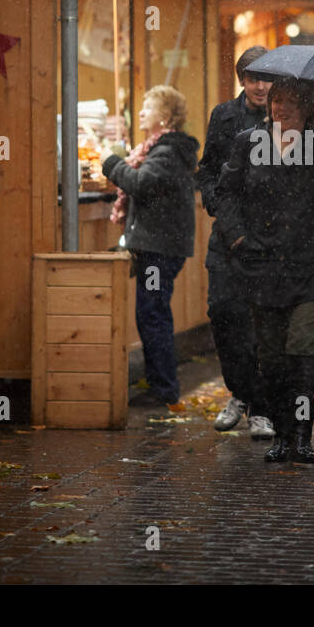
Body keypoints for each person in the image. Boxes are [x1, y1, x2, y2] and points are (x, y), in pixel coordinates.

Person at [217, 78, 314, 463]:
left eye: (291, 101)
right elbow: (226, 192)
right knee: (270, 355)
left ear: (308, 107)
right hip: (261, 263)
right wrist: (237, 238)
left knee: (302, 348)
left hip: (309, 264)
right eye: (277, 99)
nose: (280, 107)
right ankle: (281, 435)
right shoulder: (249, 142)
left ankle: (302, 435)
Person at [102, 85, 200, 410]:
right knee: (153, 312)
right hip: (158, 247)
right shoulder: (160, 149)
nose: (141, 112)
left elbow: (142, 184)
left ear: (166, 116)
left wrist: (111, 163)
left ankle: (164, 388)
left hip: (159, 250)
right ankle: (161, 383)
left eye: (148, 106)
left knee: (153, 314)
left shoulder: (167, 152)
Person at [194, 46, 273, 437]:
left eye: (266, 78)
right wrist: (217, 205)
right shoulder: (224, 116)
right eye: (253, 78)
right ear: (242, 80)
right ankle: (240, 392)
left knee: (260, 322)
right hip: (226, 235)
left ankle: (260, 406)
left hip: (267, 238)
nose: (260, 86)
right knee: (224, 316)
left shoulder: (286, 119)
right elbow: (207, 170)